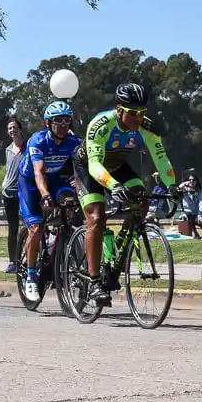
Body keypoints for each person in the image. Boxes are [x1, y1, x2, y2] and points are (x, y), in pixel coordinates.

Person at [75, 83, 179, 307]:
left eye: (142, 113)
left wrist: (172, 185)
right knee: (96, 218)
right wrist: (113, 186)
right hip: (90, 168)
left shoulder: (147, 128)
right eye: (133, 113)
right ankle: (94, 282)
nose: (138, 118)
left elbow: (161, 159)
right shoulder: (101, 125)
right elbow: (94, 165)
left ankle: (119, 250)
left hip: (118, 165)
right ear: (119, 110)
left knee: (141, 201)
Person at [17, 101, 81, 300]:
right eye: (58, 121)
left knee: (70, 204)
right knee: (35, 227)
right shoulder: (38, 141)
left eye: (66, 121)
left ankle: (61, 244)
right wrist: (44, 194)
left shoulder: (74, 142)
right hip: (30, 182)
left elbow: (81, 170)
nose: (63, 125)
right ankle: (30, 275)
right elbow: (39, 172)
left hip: (55, 180)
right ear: (48, 123)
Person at [2, 118, 25, 273]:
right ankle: (12, 261)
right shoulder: (8, 149)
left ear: (20, 129)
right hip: (8, 193)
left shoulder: (28, 147)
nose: (12, 130)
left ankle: (28, 258)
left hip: (24, 191)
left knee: (31, 225)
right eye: (10, 128)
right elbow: (9, 169)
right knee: (13, 228)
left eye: (14, 127)